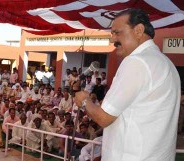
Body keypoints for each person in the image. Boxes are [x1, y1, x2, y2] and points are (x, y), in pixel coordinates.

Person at [75, 9, 181, 161]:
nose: (112, 40)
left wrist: (84, 101)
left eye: (117, 33)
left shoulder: (136, 61)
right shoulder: (165, 63)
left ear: (138, 31)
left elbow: (104, 118)